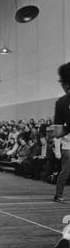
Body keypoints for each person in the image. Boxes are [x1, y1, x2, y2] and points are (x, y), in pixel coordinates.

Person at [50, 63, 70, 203]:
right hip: (68, 147)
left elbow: (57, 132)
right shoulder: (61, 102)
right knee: (65, 172)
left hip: (67, 147)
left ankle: (59, 194)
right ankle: (58, 194)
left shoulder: (61, 103)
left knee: (65, 172)